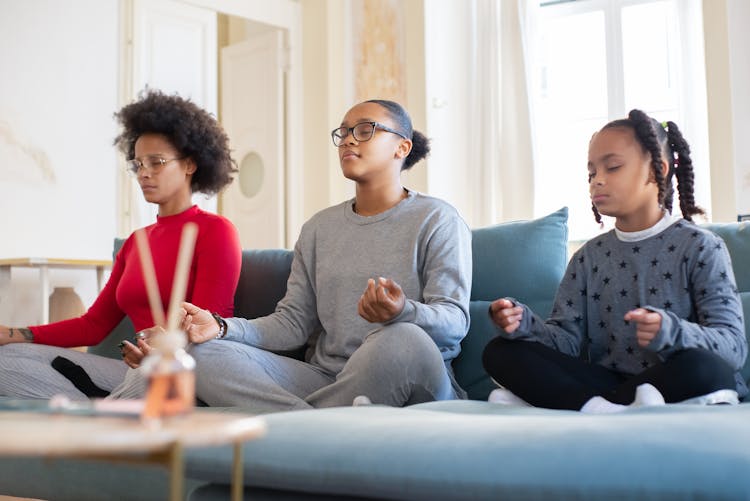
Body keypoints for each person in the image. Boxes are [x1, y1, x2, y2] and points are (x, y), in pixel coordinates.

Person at [179, 99, 472, 412]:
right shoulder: (318, 228)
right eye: (343, 132)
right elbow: (291, 324)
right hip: (326, 378)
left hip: (407, 370)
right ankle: (309, 424)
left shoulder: (438, 219)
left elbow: (455, 321)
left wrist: (402, 312)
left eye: (364, 130)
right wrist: (222, 328)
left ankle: (299, 423)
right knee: (198, 354)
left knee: (401, 338)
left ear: (402, 147)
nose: (347, 139)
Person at [482, 109, 747, 413]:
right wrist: (524, 324)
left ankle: (568, 403)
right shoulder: (587, 258)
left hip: (676, 378)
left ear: (656, 171)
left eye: (613, 167)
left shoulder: (701, 246)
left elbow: (733, 347)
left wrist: (671, 332)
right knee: (499, 352)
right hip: (607, 381)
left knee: (706, 368)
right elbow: (567, 343)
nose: (597, 181)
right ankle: (607, 408)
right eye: (592, 172)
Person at [0, 89, 242, 400]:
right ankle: (99, 415)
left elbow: (208, 325)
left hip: (183, 372)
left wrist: (160, 354)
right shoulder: (135, 243)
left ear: (191, 164)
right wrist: (15, 334)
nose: (144, 173)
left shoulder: (215, 231)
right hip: (133, 374)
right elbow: (94, 325)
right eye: (138, 164)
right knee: (6, 362)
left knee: (146, 380)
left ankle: (96, 414)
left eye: (156, 162)